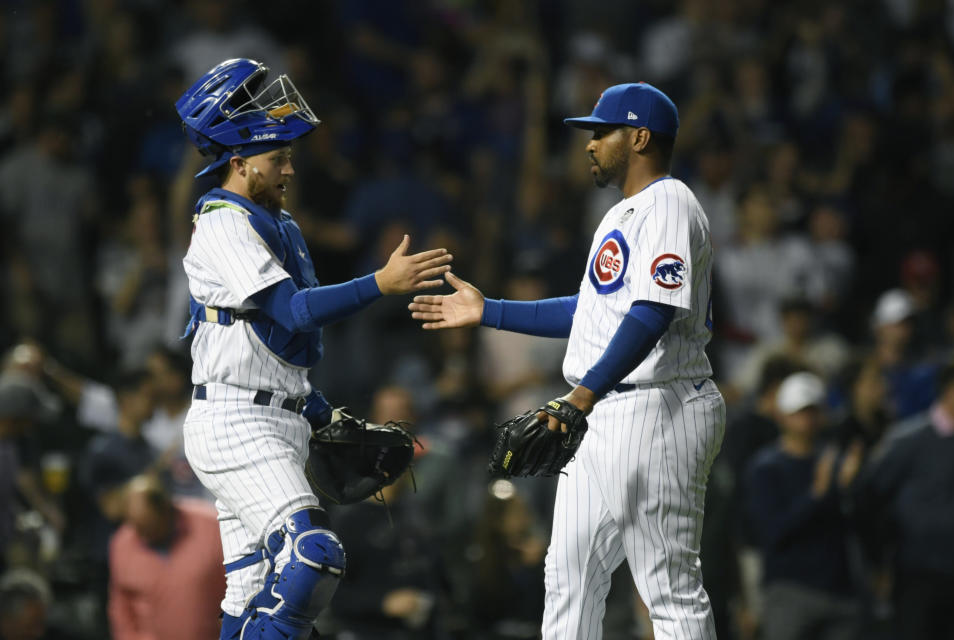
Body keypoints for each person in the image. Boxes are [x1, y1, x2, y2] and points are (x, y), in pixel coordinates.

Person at [410, 82, 725, 639]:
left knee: (666, 587)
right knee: (568, 574)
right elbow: (591, 310)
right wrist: (490, 311)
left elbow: (651, 312)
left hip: (657, 406)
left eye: (602, 131)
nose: (590, 143)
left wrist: (582, 395)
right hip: (603, 411)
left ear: (641, 137)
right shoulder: (619, 215)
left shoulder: (670, 203)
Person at [173, 58, 453, 640]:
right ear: (239, 160)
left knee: (251, 591)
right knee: (312, 556)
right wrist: (380, 283)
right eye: (278, 158)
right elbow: (293, 312)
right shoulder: (222, 222)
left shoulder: (280, 223)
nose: (290, 168)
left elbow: (278, 346)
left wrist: (321, 412)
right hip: (234, 421)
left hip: (277, 416)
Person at [742, 372, 863, 640]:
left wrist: (851, 488)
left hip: (840, 591)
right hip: (790, 592)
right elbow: (771, 533)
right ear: (782, 415)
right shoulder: (767, 468)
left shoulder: (836, 462)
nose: (807, 419)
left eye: (813, 411)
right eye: (800, 412)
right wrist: (816, 495)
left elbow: (856, 525)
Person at [852, 359, 954, 640]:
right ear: (950, 390)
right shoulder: (908, 439)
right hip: (916, 574)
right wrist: (877, 561)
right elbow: (868, 498)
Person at [108, 475, 225, 640]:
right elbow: (121, 607)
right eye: (137, 527)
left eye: (149, 525)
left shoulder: (211, 526)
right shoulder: (123, 543)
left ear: (166, 509)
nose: (143, 535)